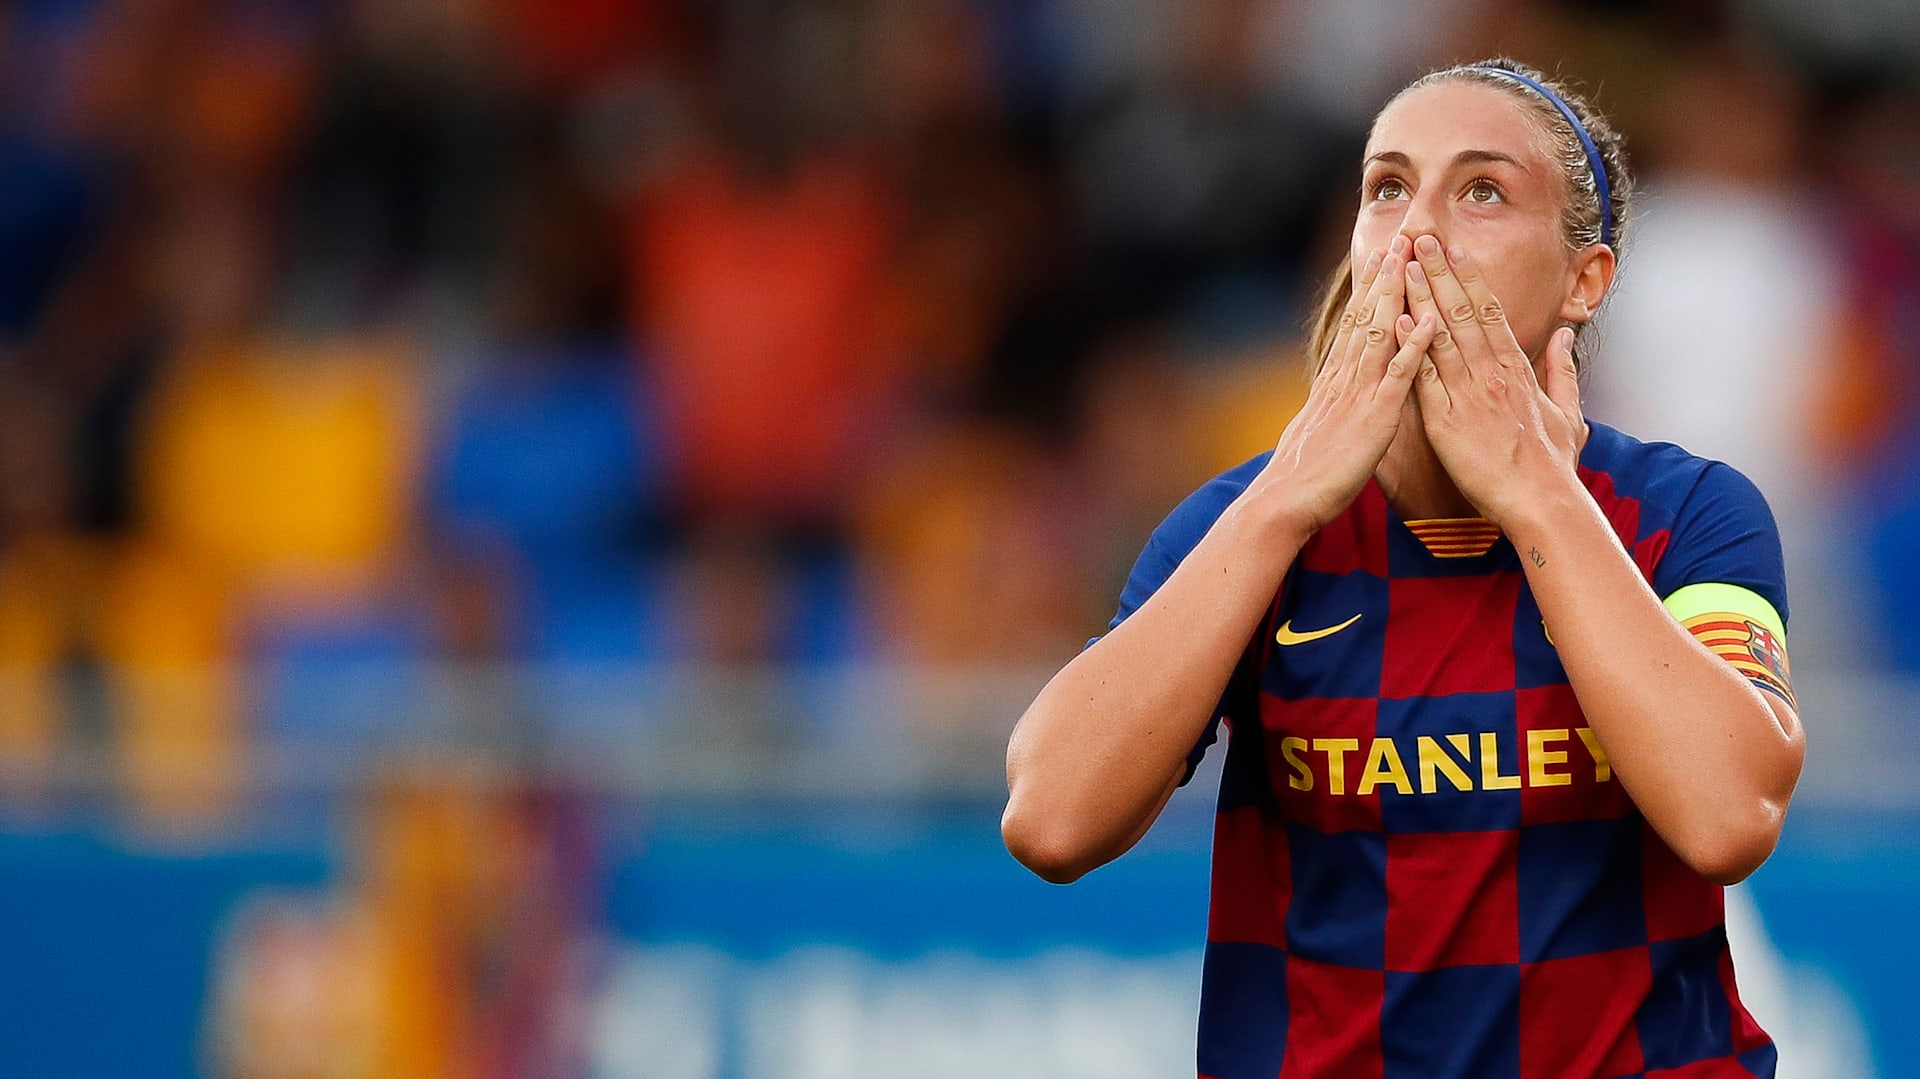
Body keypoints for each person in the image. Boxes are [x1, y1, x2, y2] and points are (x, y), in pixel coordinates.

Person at [1002, 57, 1805, 1079]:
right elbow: (1051, 817)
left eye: (1482, 190)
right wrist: (1288, 495)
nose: (1417, 230)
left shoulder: (1685, 514)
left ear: (1584, 278)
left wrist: (1538, 496)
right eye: (1387, 186)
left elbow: (1729, 814)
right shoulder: (1250, 525)